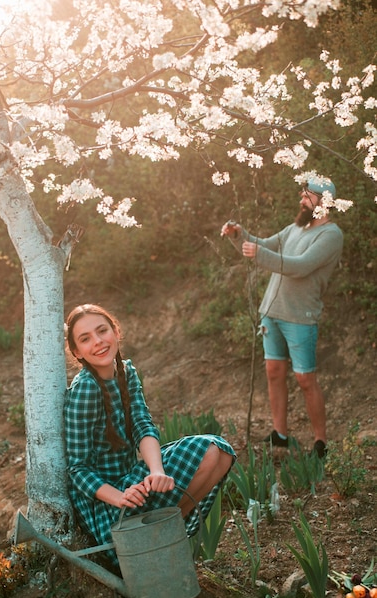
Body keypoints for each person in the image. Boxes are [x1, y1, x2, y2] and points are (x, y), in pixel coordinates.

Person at [64, 303, 236, 566]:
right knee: (211, 450)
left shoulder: (125, 373)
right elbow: (77, 469)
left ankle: (160, 539)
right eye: (85, 339)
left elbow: (143, 425)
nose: (98, 342)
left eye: (102, 331)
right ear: (77, 352)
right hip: (106, 505)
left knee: (219, 453)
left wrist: (156, 471)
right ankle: (145, 547)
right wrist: (120, 497)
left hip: (133, 483)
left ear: (116, 332)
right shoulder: (86, 389)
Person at [220, 177, 343, 458]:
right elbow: (263, 245)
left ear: (325, 202)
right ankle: (281, 436)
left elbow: (301, 267)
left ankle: (320, 442)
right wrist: (239, 235)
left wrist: (259, 253)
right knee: (273, 373)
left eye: (308, 196)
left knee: (305, 379)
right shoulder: (295, 228)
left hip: (300, 316)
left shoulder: (331, 235)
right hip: (271, 312)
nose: (301, 199)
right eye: (302, 194)